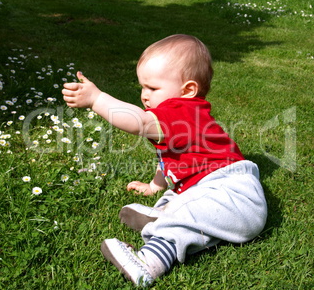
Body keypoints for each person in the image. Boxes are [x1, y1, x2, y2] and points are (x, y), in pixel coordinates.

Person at [62, 34, 267, 287]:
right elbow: (170, 160)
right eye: (142, 87)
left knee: (189, 215)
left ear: (188, 90)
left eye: (153, 88)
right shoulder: (184, 116)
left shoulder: (181, 111)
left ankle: (148, 262)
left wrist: (96, 99)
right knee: (185, 202)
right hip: (216, 195)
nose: (144, 96)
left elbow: (141, 122)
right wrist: (155, 186)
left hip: (235, 197)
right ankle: (162, 212)